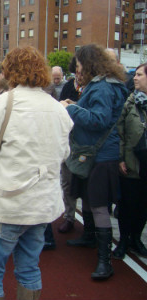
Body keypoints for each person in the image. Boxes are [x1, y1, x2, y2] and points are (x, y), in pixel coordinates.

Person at [0, 46, 73, 300]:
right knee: (29, 269)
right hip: (41, 205)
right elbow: (64, 153)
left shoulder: (4, 103)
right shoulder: (57, 108)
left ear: (9, 71)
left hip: (7, 203)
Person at [60, 44, 127, 280]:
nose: (77, 71)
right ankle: (90, 237)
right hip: (93, 153)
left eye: (78, 66)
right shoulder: (104, 84)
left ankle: (104, 261)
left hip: (100, 155)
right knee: (88, 198)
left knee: (98, 205)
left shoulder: (103, 88)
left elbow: (99, 120)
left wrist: (71, 108)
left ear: (88, 65)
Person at [114, 62, 147, 259]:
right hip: (131, 163)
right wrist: (120, 158)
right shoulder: (130, 102)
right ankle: (124, 240)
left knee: (143, 205)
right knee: (127, 204)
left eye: (140, 75)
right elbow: (120, 132)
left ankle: (136, 238)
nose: (135, 78)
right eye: (135, 75)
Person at [57, 57, 84, 234]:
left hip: (85, 144)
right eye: (76, 72)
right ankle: (69, 217)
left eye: (81, 72)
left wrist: (73, 105)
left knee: (84, 183)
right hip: (68, 140)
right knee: (66, 182)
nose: (78, 76)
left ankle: (90, 226)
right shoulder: (68, 86)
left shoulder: (93, 89)